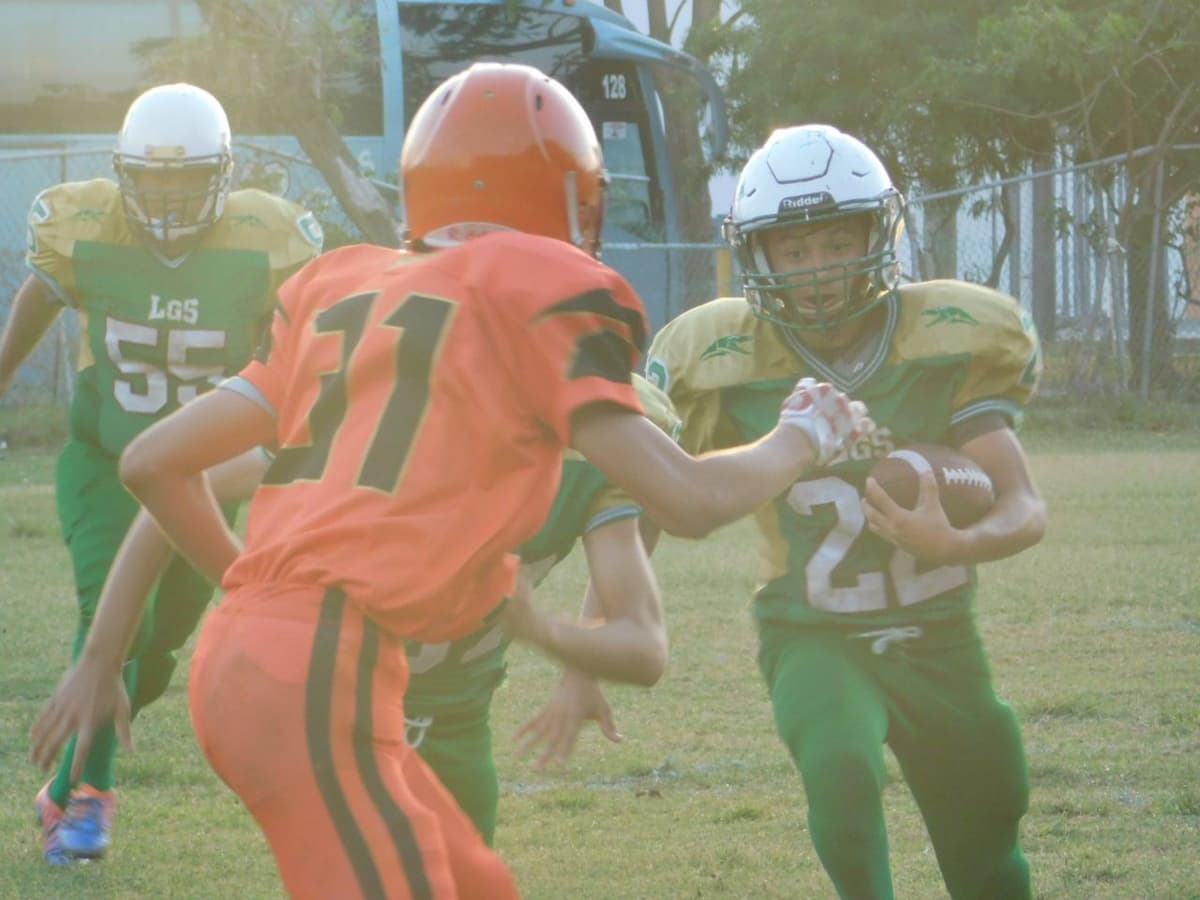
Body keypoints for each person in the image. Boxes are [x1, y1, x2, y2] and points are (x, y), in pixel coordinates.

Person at [32, 66, 869, 898]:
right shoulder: (536, 293)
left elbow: (150, 463)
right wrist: (804, 435)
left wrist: (245, 599)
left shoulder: (341, 282)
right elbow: (688, 500)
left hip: (285, 664)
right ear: (571, 195)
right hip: (321, 673)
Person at [643, 124, 1047, 900]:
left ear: (878, 232)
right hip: (811, 630)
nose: (820, 269)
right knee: (840, 766)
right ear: (761, 257)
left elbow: (1024, 507)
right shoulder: (724, 357)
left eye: (836, 240)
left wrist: (957, 537)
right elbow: (661, 492)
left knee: (990, 840)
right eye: (794, 251)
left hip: (941, 639)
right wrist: (610, 613)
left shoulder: (945, 338)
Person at [33, 372, 680, 846]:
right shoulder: (367, 415)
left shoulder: (588, 446)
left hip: (455, 721)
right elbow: (167, 493)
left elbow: (638, 605)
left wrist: (578, 662)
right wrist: (104, 654)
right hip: (330, 703)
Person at [0, 82, 323, 864]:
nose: (170, 197)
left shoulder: (266, 238)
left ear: (227, 172)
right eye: (152, 178)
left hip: (203, 477)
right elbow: (41, 297)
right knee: (116, 618)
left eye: (187, 178)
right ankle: (85, 803)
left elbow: (314, 337)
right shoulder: (86, 223)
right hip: (106, 459)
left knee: (161, 645)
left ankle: (68, 773)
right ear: (121, 172)